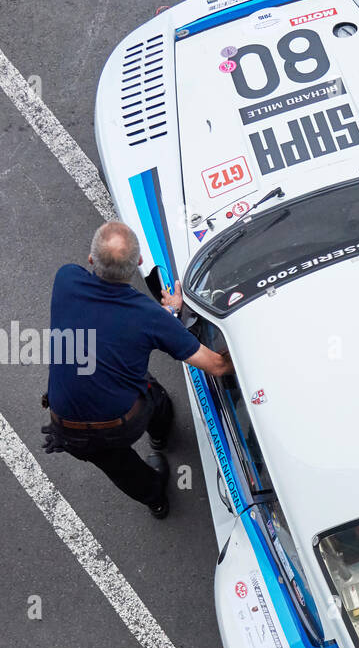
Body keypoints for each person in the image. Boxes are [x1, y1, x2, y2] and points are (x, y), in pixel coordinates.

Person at [42, 221, 231, 519]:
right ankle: (159, 436)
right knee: (152, 394)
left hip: (66, 427)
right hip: (119, 423)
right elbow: (217, 365)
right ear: (139, 263)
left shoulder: (66, 278)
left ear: (91, 260)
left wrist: (164, 316)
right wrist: (171, 312)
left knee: (118, 467)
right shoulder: (149, 315)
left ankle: (156, 499)